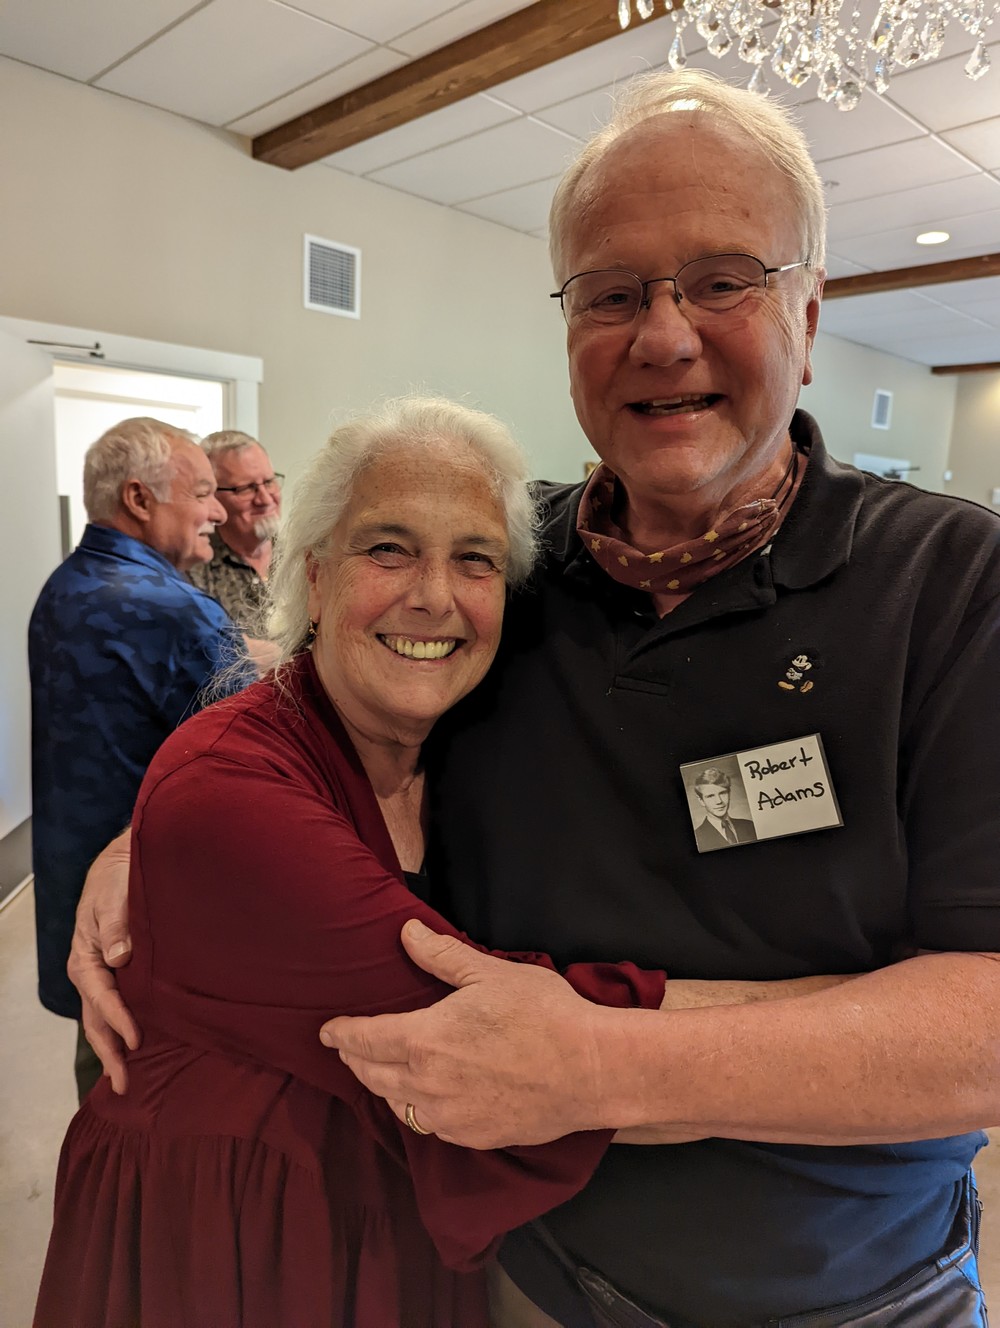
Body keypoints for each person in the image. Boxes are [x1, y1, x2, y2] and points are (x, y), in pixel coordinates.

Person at [69, 72, 1000, 1326]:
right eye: (612, 293)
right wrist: (153, 838)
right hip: (508, 1272)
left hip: (848, 1298)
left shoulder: (954, 586)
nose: (663, 335)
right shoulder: (508, 567)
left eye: (721, 279)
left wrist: (607, 1061)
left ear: (810, 311)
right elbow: (318, 704)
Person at [34, 398, 672, 1328]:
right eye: (388, 548)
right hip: (234, 1241)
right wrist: (844, 1024)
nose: (435, 596)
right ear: (317, 575)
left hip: (383, 1214)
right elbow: (493, 1050)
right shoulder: (232, 788)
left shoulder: (465, 741)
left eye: (476, 558)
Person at [28, 416, 244, 1101]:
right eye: (204, 493)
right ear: (139, 499)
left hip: (74, 882)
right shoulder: (175, 612)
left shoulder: (64, 586)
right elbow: (256, 757)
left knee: (99, 1063)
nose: (219, 512)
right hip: (148, 905)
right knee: (152, 1087)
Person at [187, 429, 282, 630]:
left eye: (269, 482)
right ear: (211, 494)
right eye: (245, 488)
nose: (265, 499)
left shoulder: (305, 557)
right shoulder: (193, 571)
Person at [691, 766, 756, 851]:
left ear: (729, 793)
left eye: (722, 793)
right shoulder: (697, 838)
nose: (719, 801)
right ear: (701, 801)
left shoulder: (750, 826)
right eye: (710, 796)